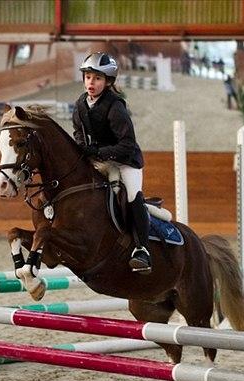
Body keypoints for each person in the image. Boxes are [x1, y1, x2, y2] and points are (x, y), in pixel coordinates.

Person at [72, 52, 151, 274]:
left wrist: (96, 151)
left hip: (126, 161)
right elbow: (79, 131)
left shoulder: (115, 106)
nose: (91, 82)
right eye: (88, 77)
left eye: (97, 79)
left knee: (134, 196)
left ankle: (142, 249)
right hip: (99, 159)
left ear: (107, 82)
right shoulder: (81, 103)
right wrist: (83, 149)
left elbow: (127, 144)